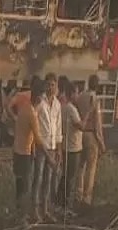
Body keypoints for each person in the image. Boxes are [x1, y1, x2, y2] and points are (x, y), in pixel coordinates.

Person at [11, 77, 47, 221]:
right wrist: (49, 159)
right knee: (25, 186)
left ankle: (18, 213)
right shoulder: (32, 114)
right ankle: (23, 217)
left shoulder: (23, 107)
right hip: (25, 154)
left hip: (17, 150)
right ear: (38, 97)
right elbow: (38, 139)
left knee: (19, 185)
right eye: (42, 96)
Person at [32, 73, 62, 221]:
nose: (51, 87)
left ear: (57, 86)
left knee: (48, 180)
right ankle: (35, 211)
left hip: (52, 146)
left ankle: (45, 210)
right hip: (41, 146)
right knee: (38, 178)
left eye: (53, 85)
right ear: (45, 86)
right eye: (49, 84)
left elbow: (59, 128)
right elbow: (33, 120)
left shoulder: (57, 104)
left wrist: (59, 149)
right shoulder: (40, 102)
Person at [76, 74, 107, 206]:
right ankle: (87, 198)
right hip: (90, 135)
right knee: (91, 167)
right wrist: (101, 142)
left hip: (79, 134)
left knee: (80, 166)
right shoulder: (95, 100)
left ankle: (78, 194)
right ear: (97, 85)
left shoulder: (80, 96)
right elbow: (97, 124)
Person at [56, 79, 85, 215]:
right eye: (77, 93)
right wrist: (89, 113)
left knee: (65, 176)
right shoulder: (72, 109)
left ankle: (58, 202)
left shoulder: (63, 107)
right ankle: (67, 206)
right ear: (72, 94)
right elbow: (81, 126)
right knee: (70, 177)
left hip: (66, 146)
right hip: (73, 148)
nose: (78, 96)